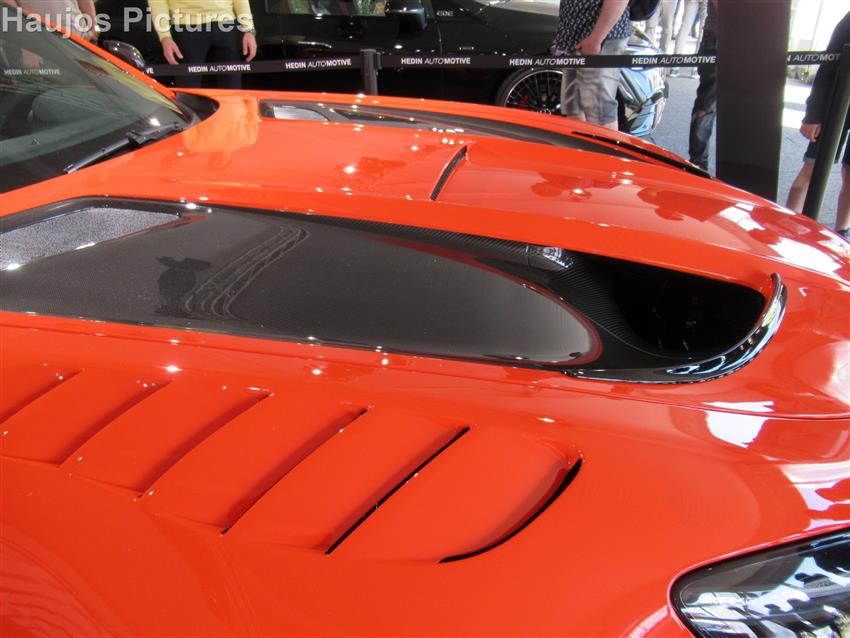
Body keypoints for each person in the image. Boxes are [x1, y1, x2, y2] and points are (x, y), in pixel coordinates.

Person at [785, 10, 850, 240]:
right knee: (812, 168)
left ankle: (842, 232)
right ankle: (787, 224)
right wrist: (813, 114)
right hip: (837, 103)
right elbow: (828, 65)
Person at [552, 0, 632, 130]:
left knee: (600, 113)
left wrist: (596, 39)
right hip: (575, 39)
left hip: (600, 40)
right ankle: (578, 143)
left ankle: (604, 144)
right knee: (573, 107)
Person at [148, 0, 258, 89]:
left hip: (227, 25)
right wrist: (165, 36)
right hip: (187, 28)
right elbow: (157, 2)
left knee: (232, 90)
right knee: (188, 93)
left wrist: (249, 29)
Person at [688, 0, 716, 171]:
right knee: (705, 109)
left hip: (749, 42)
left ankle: (698, 165)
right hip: (717, 41)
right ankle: (698, 167)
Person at [10, 0, 98, 40]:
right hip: (43, 43)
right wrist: (27, 44)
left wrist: (92, 27)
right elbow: (9, 7)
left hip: (80, 42)